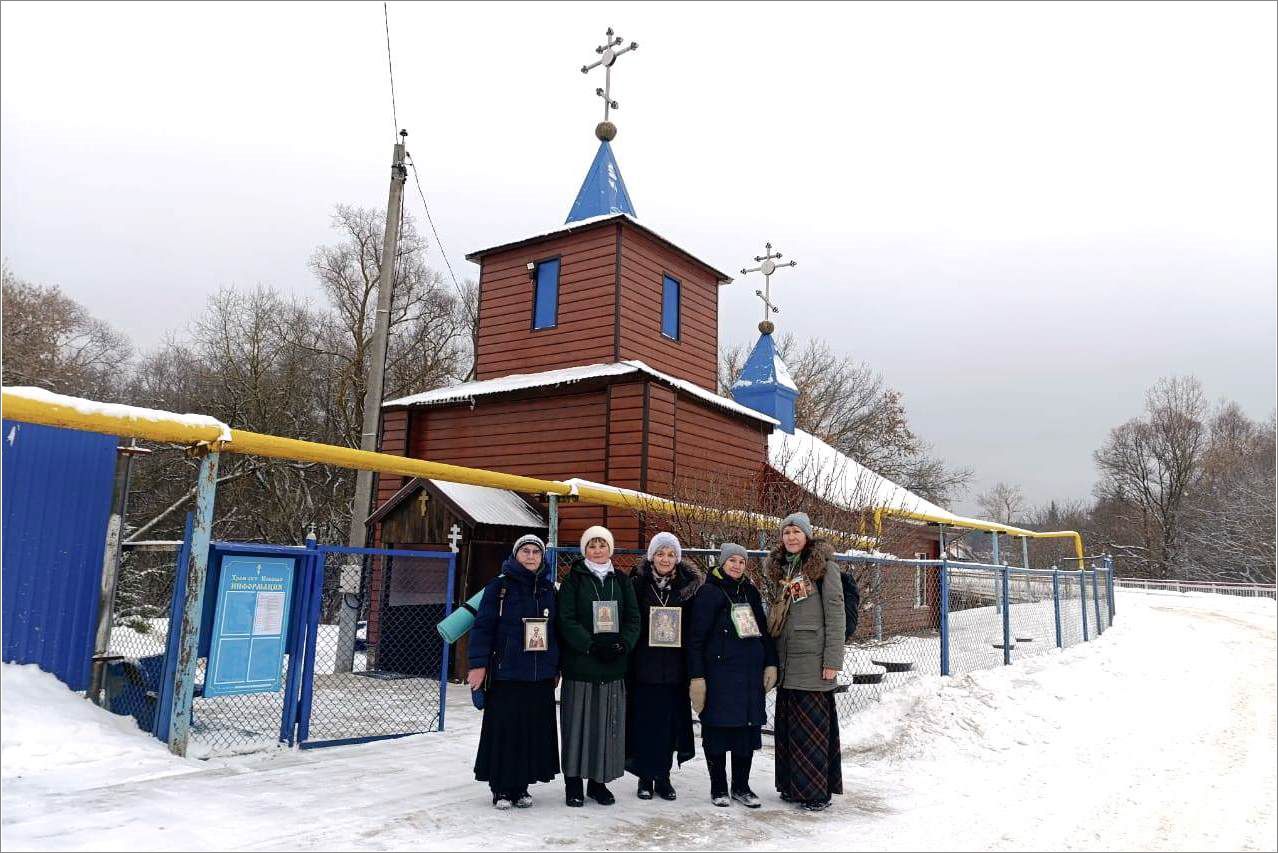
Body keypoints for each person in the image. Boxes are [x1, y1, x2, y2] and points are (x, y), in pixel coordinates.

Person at [467, 533, 561, 810]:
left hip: (539, 674)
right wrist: (478, 665)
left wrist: (556, 666)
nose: (531, 556)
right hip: (506, 672)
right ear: (516, 555)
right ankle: (501, 788)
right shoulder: (499, 587)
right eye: (525, 551)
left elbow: (556, 631)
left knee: (530, 731)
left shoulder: (548, 589)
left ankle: (521, 787)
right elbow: (483, 627)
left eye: (536, 552)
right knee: (505, 731)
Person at [765, 512, 846, 812]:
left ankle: (816, 793)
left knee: (812, 731)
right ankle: (791, 786)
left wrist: (832, 660)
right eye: (786, 533)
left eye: (796, 532)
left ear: (807, 535)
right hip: (787, 661)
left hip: (813, 661)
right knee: (790, 730)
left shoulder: (825, 568)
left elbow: (836, 615)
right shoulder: (782, 568)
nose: (791, 537)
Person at [687, 542, 778, 808]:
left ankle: (741, 786)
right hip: (719, 676)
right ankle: (718, 787)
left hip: (749, 676)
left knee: (745, 733)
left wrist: (770, 663)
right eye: (732, 561)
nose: (737, 566)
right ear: (722, 562)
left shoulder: (749, 591)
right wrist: (696, 677)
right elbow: (695, 639)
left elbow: (763, 630)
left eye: (741, 561)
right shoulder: (709, 592)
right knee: (717, 732)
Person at [557, 525, 641, 807]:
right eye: (592, 545)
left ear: (610, 549)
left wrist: (623, 645)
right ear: (585, 550)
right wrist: (590, 645)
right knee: (577, 726)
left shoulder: (621, 580)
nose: (597, 550)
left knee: (606, 727)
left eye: (602, 545)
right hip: (581, 666)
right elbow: (566, 619)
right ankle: (573, 784)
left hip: (613, 666)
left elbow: (633, 618)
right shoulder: (573, 580)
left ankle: (598, 783)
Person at [625, 531, 702, 801]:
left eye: (670, 554)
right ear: (652, 557)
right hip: (644, 666)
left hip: (675, 669)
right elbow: (630, 621)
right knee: (645, 723)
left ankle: (664, 777)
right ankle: (645, 777)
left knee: (670, 726)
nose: (665, 559)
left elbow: (694, 628)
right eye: (660, 553)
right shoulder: (637, 584)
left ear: (677, 558)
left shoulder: (688, 588)